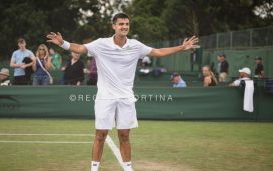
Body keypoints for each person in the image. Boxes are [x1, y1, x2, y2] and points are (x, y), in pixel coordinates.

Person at [46, 13, 198, 171]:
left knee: (125, 135)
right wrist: (63, 43)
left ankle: (127, 168)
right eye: (121, 24)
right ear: (113, 26)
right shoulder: (101, 44)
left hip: (126, 98)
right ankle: (94, 168)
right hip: (105, 98)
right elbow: (80, 48)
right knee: (100, 135)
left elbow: (158, 52)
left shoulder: (136, 46)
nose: (124, 27)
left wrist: (181, 48)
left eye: (126, 24)